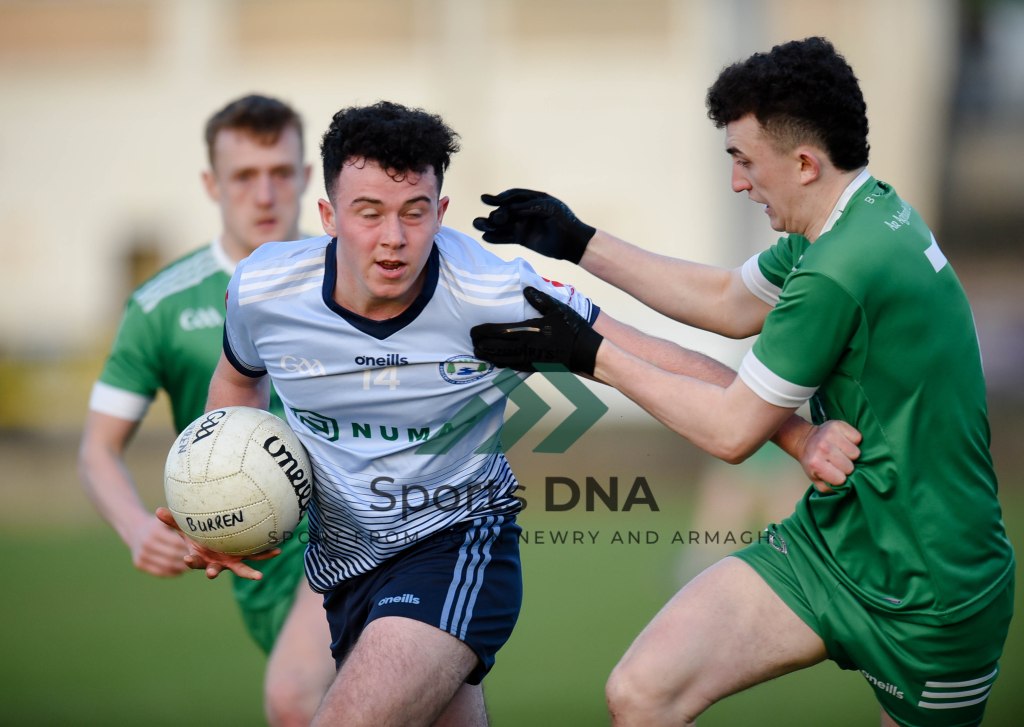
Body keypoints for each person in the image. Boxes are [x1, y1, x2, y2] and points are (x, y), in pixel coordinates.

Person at [154, 100, 858, 727]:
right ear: (329, 216)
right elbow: (237, 387)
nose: (393, 238)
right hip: (342, 564)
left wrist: (798, 436)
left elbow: (658, 356)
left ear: (442, 209)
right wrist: (218, 500)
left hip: (456, 546)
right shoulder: (264, 290)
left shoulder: (492, 291)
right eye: (368, 213)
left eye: (414, 211)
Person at [469, 36, 1015, 727]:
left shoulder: (839, 269)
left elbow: (730, 430)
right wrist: (580, 242)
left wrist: (590, 354)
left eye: (745, 161)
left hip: (935, 588)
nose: (737, 182)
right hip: (831, 547)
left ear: (805, 163)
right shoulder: (854, 219)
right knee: (642, 690)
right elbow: (729, 301)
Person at [78, 94, 335, 726]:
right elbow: (96, 449)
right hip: (252, 549)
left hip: (353, 531)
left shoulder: (353, 275)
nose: (266, 193)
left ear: (305, 178)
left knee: (301, 699)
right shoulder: (161, 307)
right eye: (245, 176)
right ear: (211, 184)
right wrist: (137, 527)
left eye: (281, 172)